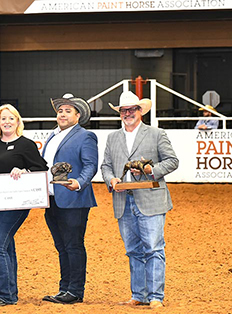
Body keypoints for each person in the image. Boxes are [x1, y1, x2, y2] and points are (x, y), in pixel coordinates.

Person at [101, 91, 179, 309]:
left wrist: (150, 170)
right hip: (123, 199)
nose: (127, 113)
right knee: (133, 250)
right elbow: (106, 166)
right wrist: (111, 179)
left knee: (153, 248)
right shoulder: (112, 138)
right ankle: (139, 294)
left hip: (150, 198)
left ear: (140, 111)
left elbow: (172, 161)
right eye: (123, 110)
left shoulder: (156, 133)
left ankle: (155, 296)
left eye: (131, 109)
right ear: (120, 114)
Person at [0, 104, 48, 306]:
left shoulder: (26, 144)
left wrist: (24, 171)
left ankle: (5, 295)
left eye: (11, 118)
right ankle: (10, 293)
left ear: (18, 121)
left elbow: (41, 169)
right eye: (3, 118)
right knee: (6, 246)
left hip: (15, 205)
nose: (7, 122)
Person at [41, 94, 98, 305]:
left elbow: (91, 164)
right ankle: (64, 288)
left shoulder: (85, 136)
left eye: (67, 111)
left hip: (74, 198)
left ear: (78, 115)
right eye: (60, 111)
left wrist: (79, 182)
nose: (62, 114)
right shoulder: (53, 136)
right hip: (53, 198)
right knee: (62, 245)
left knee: (73, 245)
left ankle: (75, 290)